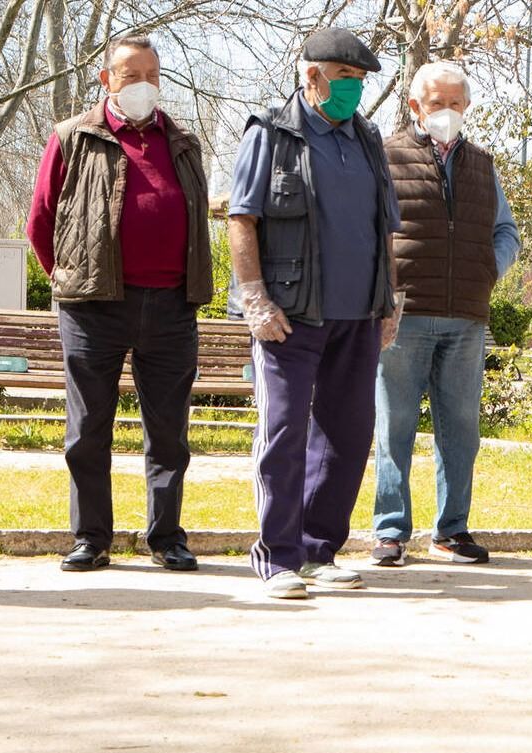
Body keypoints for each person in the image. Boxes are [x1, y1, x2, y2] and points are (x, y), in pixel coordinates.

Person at [24, 34, 213, 574]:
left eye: (151, 74)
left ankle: (166, 537)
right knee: (87, 430)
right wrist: (65, 277)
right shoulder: (71, 137)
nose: (142, 85)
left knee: (170, 433)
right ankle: (91, 537)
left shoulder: (183, 143)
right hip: (93, 306)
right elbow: (41, 221)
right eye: (130, 75)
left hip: (173, 306)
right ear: (106, 80)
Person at [227, 28, 401, 600]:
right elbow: (242, 219)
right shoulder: (272, 135)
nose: (354, 90)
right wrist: (254, 298)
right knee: (284, 433)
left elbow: (387, 230)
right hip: (289, 313)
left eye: (360, 81)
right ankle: (276, 557)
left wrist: (389, 304)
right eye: (345, 78)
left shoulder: (369, 139)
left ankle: (318, 550)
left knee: (349, 434)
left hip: (358, 317)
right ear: (312, 76)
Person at [370, 62, 522, 568]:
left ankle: (451, 531)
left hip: (466, 318)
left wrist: (485, 273)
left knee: (461, 429)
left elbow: (507, 233)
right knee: (394, 427)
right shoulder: (385, 156)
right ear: (415, 106)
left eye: (456, 103)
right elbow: (370, 231)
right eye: (437, 103)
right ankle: (391, 532)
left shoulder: (483, 163)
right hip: (404, 318)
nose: (447, 112)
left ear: (468, 107)